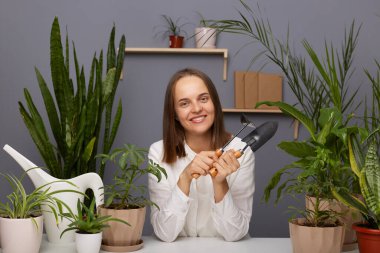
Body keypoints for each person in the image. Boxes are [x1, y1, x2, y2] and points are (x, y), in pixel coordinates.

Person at [148, 68, 255, 242]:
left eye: (203, 99)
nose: (197, 108)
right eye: (184, 103)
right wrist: (185, 177)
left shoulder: (242, 151)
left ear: (214, 103)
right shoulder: (158, 152)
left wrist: (220, 184)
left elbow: (235, 234)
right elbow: (164, 233)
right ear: (174, 113)